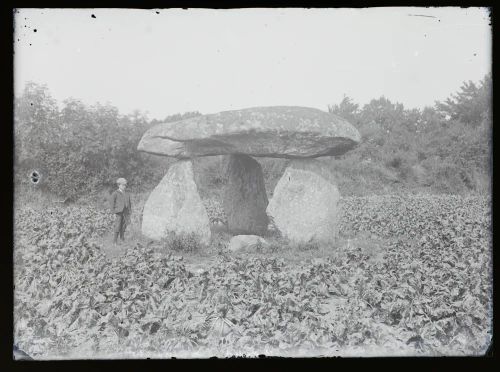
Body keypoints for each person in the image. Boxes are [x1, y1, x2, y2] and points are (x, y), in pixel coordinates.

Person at [110, 178, 132, 245]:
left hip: (125, 212)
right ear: (119, 185)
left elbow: (129, 203)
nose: (124, 186)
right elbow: (112, 204)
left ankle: (122, 239)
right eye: (123, 185)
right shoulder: (115, 193)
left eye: (125, 185)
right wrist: (113, 213)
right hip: (118, 212)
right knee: (118, 226)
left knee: (124, 226)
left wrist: (129, 212)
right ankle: (114, 241)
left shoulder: (127, 194)